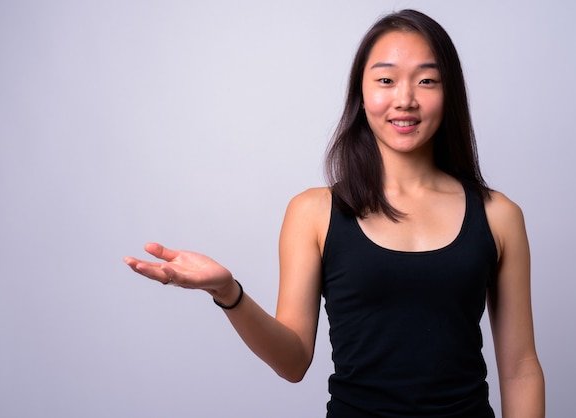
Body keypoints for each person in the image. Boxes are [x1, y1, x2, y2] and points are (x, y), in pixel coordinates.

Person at [123, 9, 544, 418]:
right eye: (386, 80)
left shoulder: (499, 215)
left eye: (427, 81)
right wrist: (229, 293)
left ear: (449, 93)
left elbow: (521, 368)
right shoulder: (313, 213)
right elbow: (292, 362)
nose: (405, 99)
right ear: (362, 94)